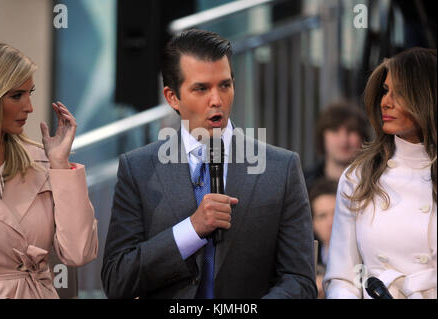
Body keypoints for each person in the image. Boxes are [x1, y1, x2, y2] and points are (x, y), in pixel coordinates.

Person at [101, 29, 317, 299]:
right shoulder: (138, 169)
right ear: (172, 97)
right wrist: (190, 229)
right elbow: (117, 279)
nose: (217, 100)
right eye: (201, 88)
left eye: (224, 85)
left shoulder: (280, 168)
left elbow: (300, 280)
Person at [323, 47, 436, 299]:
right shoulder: (358, 177)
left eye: (400, 93)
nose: (385, 102)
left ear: (426, 97)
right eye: (385, 91)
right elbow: (341, 278)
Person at [0, 43, 98, 299]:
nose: (30, 107)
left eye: (30, 93)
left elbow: (79, 252)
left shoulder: (43, 162)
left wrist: (60, 164)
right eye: (17, 96)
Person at [303, 101, 371, 190]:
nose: (343, 140)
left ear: (363, 137)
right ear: (322, 136)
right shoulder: (304, 184)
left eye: (351, 130)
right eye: (335, 130)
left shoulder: (376, 184)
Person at [308, 178, 337, 267]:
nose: (331, 223)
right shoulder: (307, 262)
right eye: (322, 216)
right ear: (312, 224)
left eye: (336, 213)